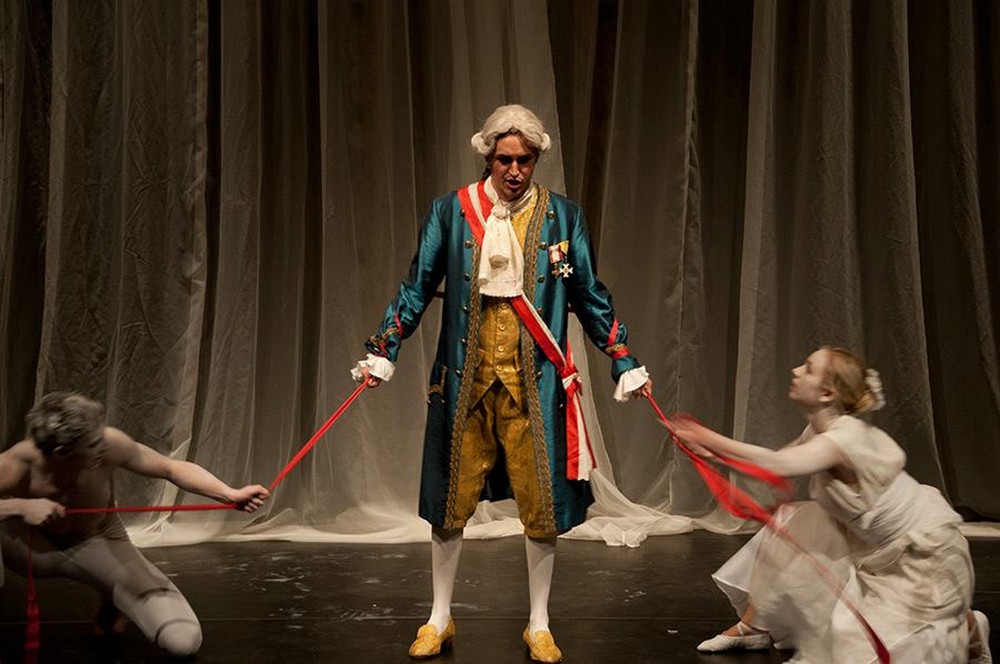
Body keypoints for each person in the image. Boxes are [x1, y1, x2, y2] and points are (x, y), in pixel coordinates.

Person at [353, 103, 652, 662]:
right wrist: (383, 347)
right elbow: (417, 287)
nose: (515, 170)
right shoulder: (451, 211)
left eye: (525, 160)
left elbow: (589, 294)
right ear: (488, 156)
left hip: (534, 386)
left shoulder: (563, 217)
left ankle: (539, 622)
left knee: (541, 507)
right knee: (449, 504)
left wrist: (622, 357)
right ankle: (439, 617)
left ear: (537, 159)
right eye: (505, 159)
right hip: (465, 383)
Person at [673, 346, 992, 663]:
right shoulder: (818, 430)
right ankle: (754, 626)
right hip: (874, 545)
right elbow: (775, 465)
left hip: (923, 552)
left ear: (827, 393)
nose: (796, 370)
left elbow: (778, 464)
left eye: (808, 368)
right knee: (797, 522)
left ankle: (969, 627)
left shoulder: (845, 438)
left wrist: (704, 435)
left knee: (874, 647)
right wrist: (714, 456)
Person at [0, 392, 270, 657]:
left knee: (182, 639)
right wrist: (21, 506)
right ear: (61, 452)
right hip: (32, 549)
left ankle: (111, 591)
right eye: (93, 444)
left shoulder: (108, 443)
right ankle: (112, 587)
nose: (103, 444)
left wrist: (229, 494)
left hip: (96, 539)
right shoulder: (16, 464)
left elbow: (169, 468)